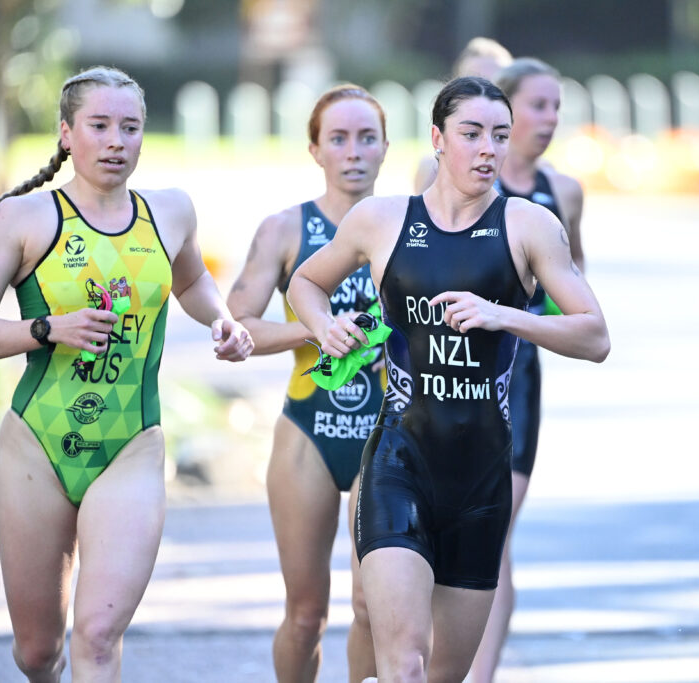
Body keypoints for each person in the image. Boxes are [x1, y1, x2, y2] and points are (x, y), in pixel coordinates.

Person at [288, 76, 609, 682]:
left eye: (500, 136)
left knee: (442, 675)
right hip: (398, 464)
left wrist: (504, 315)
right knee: (403, 664)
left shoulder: (529, 225)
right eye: (472, 134)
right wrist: (325, 327)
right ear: (438, 139)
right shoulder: (380, 220)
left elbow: (595, 335)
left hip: (480, 480)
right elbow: (307, 282)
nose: (489, 149)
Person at [0, 66, 253, 682]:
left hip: (132, 445)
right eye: (100, 126)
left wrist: (221, 319)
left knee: (97, 634)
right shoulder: (22, 219)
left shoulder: (170, 213)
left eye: (130, 127)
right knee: (38, 652)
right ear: (67, 134)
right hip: (38, 444)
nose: (117, 141)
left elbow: (192, 280)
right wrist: (46, 329)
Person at [226, 84, 388, 683]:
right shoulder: (285, 229)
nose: (353, 152)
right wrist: (316, 331)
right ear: (315, 150)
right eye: (338, 139)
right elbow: (237, 325)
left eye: (366, 138)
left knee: (373, 607)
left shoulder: (408, 226)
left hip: (390, 435)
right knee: (305, 614)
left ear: (386, 147)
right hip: (308, 435)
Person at [466, 56, 584, 683]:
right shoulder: (448, 178)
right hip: (447, 371)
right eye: (538, 104)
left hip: (518, 374)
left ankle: (479, 675)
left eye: (556, 106)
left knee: (494, 533)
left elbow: (577, 290)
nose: (550, 118)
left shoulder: (561, 192)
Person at [412, 37, 513, 193]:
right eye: (472, 84)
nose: (484, 92)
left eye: (497, 84)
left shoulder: (540, 174)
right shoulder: (433, 168)